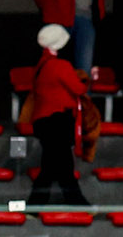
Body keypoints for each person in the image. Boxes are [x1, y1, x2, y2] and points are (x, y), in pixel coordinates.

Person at [27, 23, 93, 205]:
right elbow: (78, 88)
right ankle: (78, 203)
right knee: (63, 166)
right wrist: (88, 79)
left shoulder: (41, 66)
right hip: (58, 121)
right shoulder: (60, 66)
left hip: (43, 121)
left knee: (51, 166)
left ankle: (35, 205)